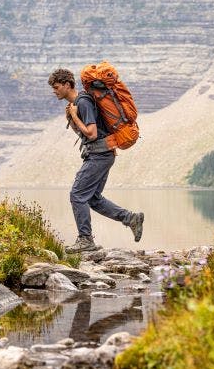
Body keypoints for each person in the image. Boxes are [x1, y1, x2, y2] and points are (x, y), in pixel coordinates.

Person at [48, 68, 144, 253]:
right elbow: (88, 132)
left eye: (57, 87)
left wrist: (75, 116)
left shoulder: (83, 102)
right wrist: (73, 117)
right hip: (103, 154)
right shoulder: (79, 103)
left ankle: (86, 240)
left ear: (68, 85)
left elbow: (91, 134)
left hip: (99, 155)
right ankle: (131, 218)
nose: (54, 91)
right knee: (92, 198)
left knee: (77, 195)